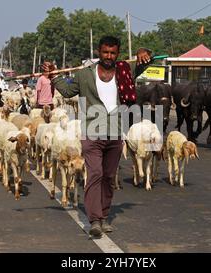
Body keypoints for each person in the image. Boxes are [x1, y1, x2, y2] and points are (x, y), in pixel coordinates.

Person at [45, 36, 152, 238]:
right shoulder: (84, 74)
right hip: (92, 130)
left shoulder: (125, 71)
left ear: (117, 54)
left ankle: (103, 215)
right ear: (98, 52)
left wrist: (142, 50)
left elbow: (148, 60)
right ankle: (94, 220)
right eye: (105, 52)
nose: (108, 56)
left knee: (109, 177)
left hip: (115, 131)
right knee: (94, 173)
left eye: (112, 53)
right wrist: (53, 76)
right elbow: (67, 92)